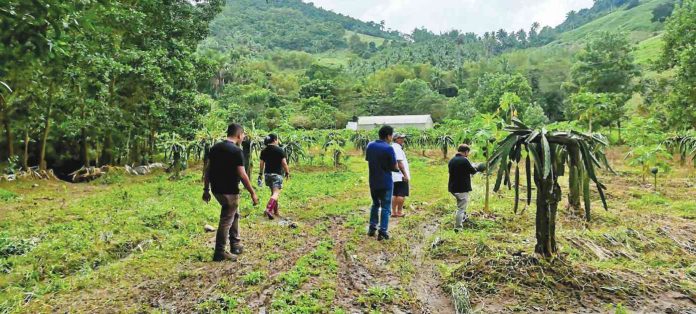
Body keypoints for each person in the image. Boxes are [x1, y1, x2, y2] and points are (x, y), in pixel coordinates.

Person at [203, 124, 259, 262]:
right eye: (243, 135)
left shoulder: (215, 148)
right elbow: (242, 174)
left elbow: (208, 170)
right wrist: (252, 192)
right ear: (239, 135)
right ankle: (220, 252)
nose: (244, 137)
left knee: (234, 213)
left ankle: (235, 244)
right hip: (230, 190)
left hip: (216, 189)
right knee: (226, 219)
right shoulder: (236, 151)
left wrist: (206, 189)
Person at [365, 125, 398, 241]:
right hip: (385, 182)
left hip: (373, 181)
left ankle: (372, 228)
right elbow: (394, 166)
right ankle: (382, 231)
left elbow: (369, 160)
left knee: (375, 204)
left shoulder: (370, 145)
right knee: (385, 207)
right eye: (391, 135)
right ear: (388, 136)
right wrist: (396, 169)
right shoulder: (389, 148)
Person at [448, 144, 480, 231]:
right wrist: (477, 167)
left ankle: (463, 218)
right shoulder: (465, 160)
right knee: (461, 208)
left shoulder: (451, 160)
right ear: (465, 152)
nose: (468, 154)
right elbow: (473, 171)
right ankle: (458, 228)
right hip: (462, 188)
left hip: (453, 188)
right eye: (468, 152)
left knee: (461, 205)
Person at [258, 134, 290, 220]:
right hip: (276, 175)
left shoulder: (264, 151)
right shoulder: (279, 150)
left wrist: (260, 174)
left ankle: (276, 212)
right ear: (275, 140)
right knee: (276, 193)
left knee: (273, 194)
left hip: (267, 175)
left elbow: (261, 163)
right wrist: (287, 172)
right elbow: (284, 163)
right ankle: (268, 209)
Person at [391, 133, 410, 218]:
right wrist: (405, 174)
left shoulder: (392, 147)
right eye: (401, 138)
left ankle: (394, 212)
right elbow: (399, 162)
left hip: (394, 175)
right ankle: (399, 211)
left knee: (395, 193)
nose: (403, 139)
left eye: (403, 138)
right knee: (401, 194)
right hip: (400, 175)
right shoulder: (397, 148)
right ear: (396, 139)